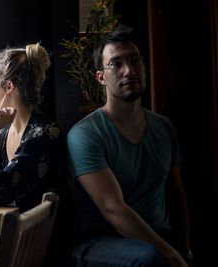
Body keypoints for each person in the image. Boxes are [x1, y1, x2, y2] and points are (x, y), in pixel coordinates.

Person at [67, 25, 191, 267]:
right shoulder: (85, 134)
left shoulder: (163, 127)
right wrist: (171, 256)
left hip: (157, 236)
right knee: (148, 258)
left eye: (135, 61)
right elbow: (113, 210)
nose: (129, 71)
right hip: (102, 241)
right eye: (116, 64)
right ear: (100, 77)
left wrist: (185, 251)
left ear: (144, 67)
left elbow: (177, 194)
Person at [0, 43, 73, 265]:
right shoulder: (6, 130)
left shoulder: (44, 133)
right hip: (10, 238)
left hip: (36, 250)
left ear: (9, 86)